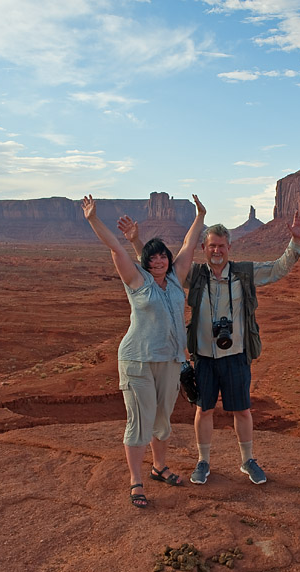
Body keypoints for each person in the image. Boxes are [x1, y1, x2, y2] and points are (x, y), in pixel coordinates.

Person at [123, 210, 300, 485]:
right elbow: (155, 269)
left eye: (222, 246)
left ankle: (247, 460)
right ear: (203, 248)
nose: (217, 250)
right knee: (204, 410)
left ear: (229, 247)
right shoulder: (193, 275)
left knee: (242, 410)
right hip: (205, 357)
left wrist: (295, 241)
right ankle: (203, 462)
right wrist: (136, 242)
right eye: (212, 246)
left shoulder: (244, 273)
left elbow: (277, 268)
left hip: (236, 355)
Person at [81, 193, 206, 508]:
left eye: (163, 256)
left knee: (162, 418)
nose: (160, 261)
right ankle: (135, 480)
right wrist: (93, 219)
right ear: (146, 263)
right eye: (153, 258)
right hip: (138, 360)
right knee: (140, 420)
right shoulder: (137, 281)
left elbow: (190, 246)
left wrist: (199, 216)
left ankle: (159, 467)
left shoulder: (176, 280)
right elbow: (115, 247)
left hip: (170, 362)